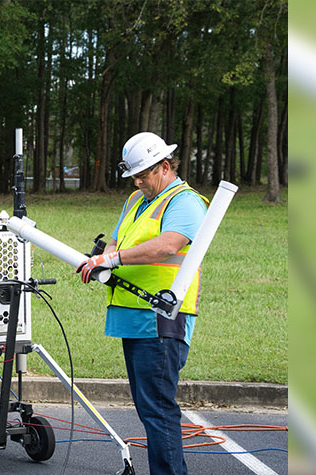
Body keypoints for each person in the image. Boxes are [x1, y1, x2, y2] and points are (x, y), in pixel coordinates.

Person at [76, 132, 209, 475]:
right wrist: (98, 260)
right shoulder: (137, 199)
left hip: (162, 319)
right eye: (134, 176)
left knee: (158, 409)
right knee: (150, 407)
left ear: (165, 166)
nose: (137, 182)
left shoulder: (185, 201)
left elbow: (167, 245)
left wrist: (113, 260)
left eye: (143, 174)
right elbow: (116, 243)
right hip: (134, 318)